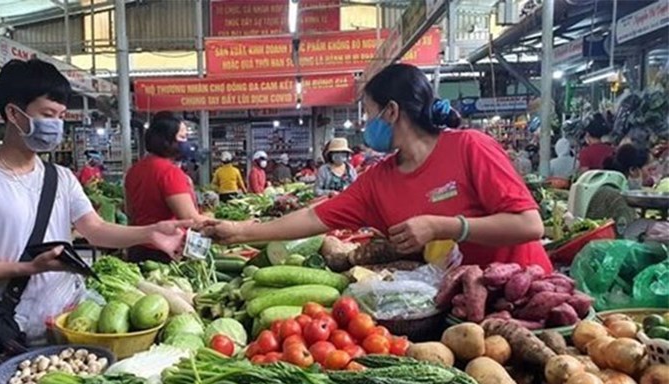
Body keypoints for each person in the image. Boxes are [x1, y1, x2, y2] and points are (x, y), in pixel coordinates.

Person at [202, 64, 550, 271]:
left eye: (368, 113)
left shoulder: (470, 147)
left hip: (527, 294)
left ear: (392, 111)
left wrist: (442, 226)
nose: (366, 124)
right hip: (461, 306)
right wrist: (242, 231)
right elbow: (314, 218)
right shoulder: (378, 180)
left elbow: (529, 224)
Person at [0, 58, 188, 339]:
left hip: (70, 321)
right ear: (13, 113)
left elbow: (95, 230)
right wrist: (28, 268)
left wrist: (150, 233)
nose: (56, 126)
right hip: (13, 330)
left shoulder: (60, 177)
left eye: (60, 116)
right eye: (48, 115)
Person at [124, 112, 201, 263]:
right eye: (183, 137)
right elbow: (190, 219)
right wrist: (234, 227)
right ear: (167, 141)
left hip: (138, 247)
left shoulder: (134, 170)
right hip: (165, 251)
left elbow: (130, 213)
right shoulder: (170, 173)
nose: (187, 143)